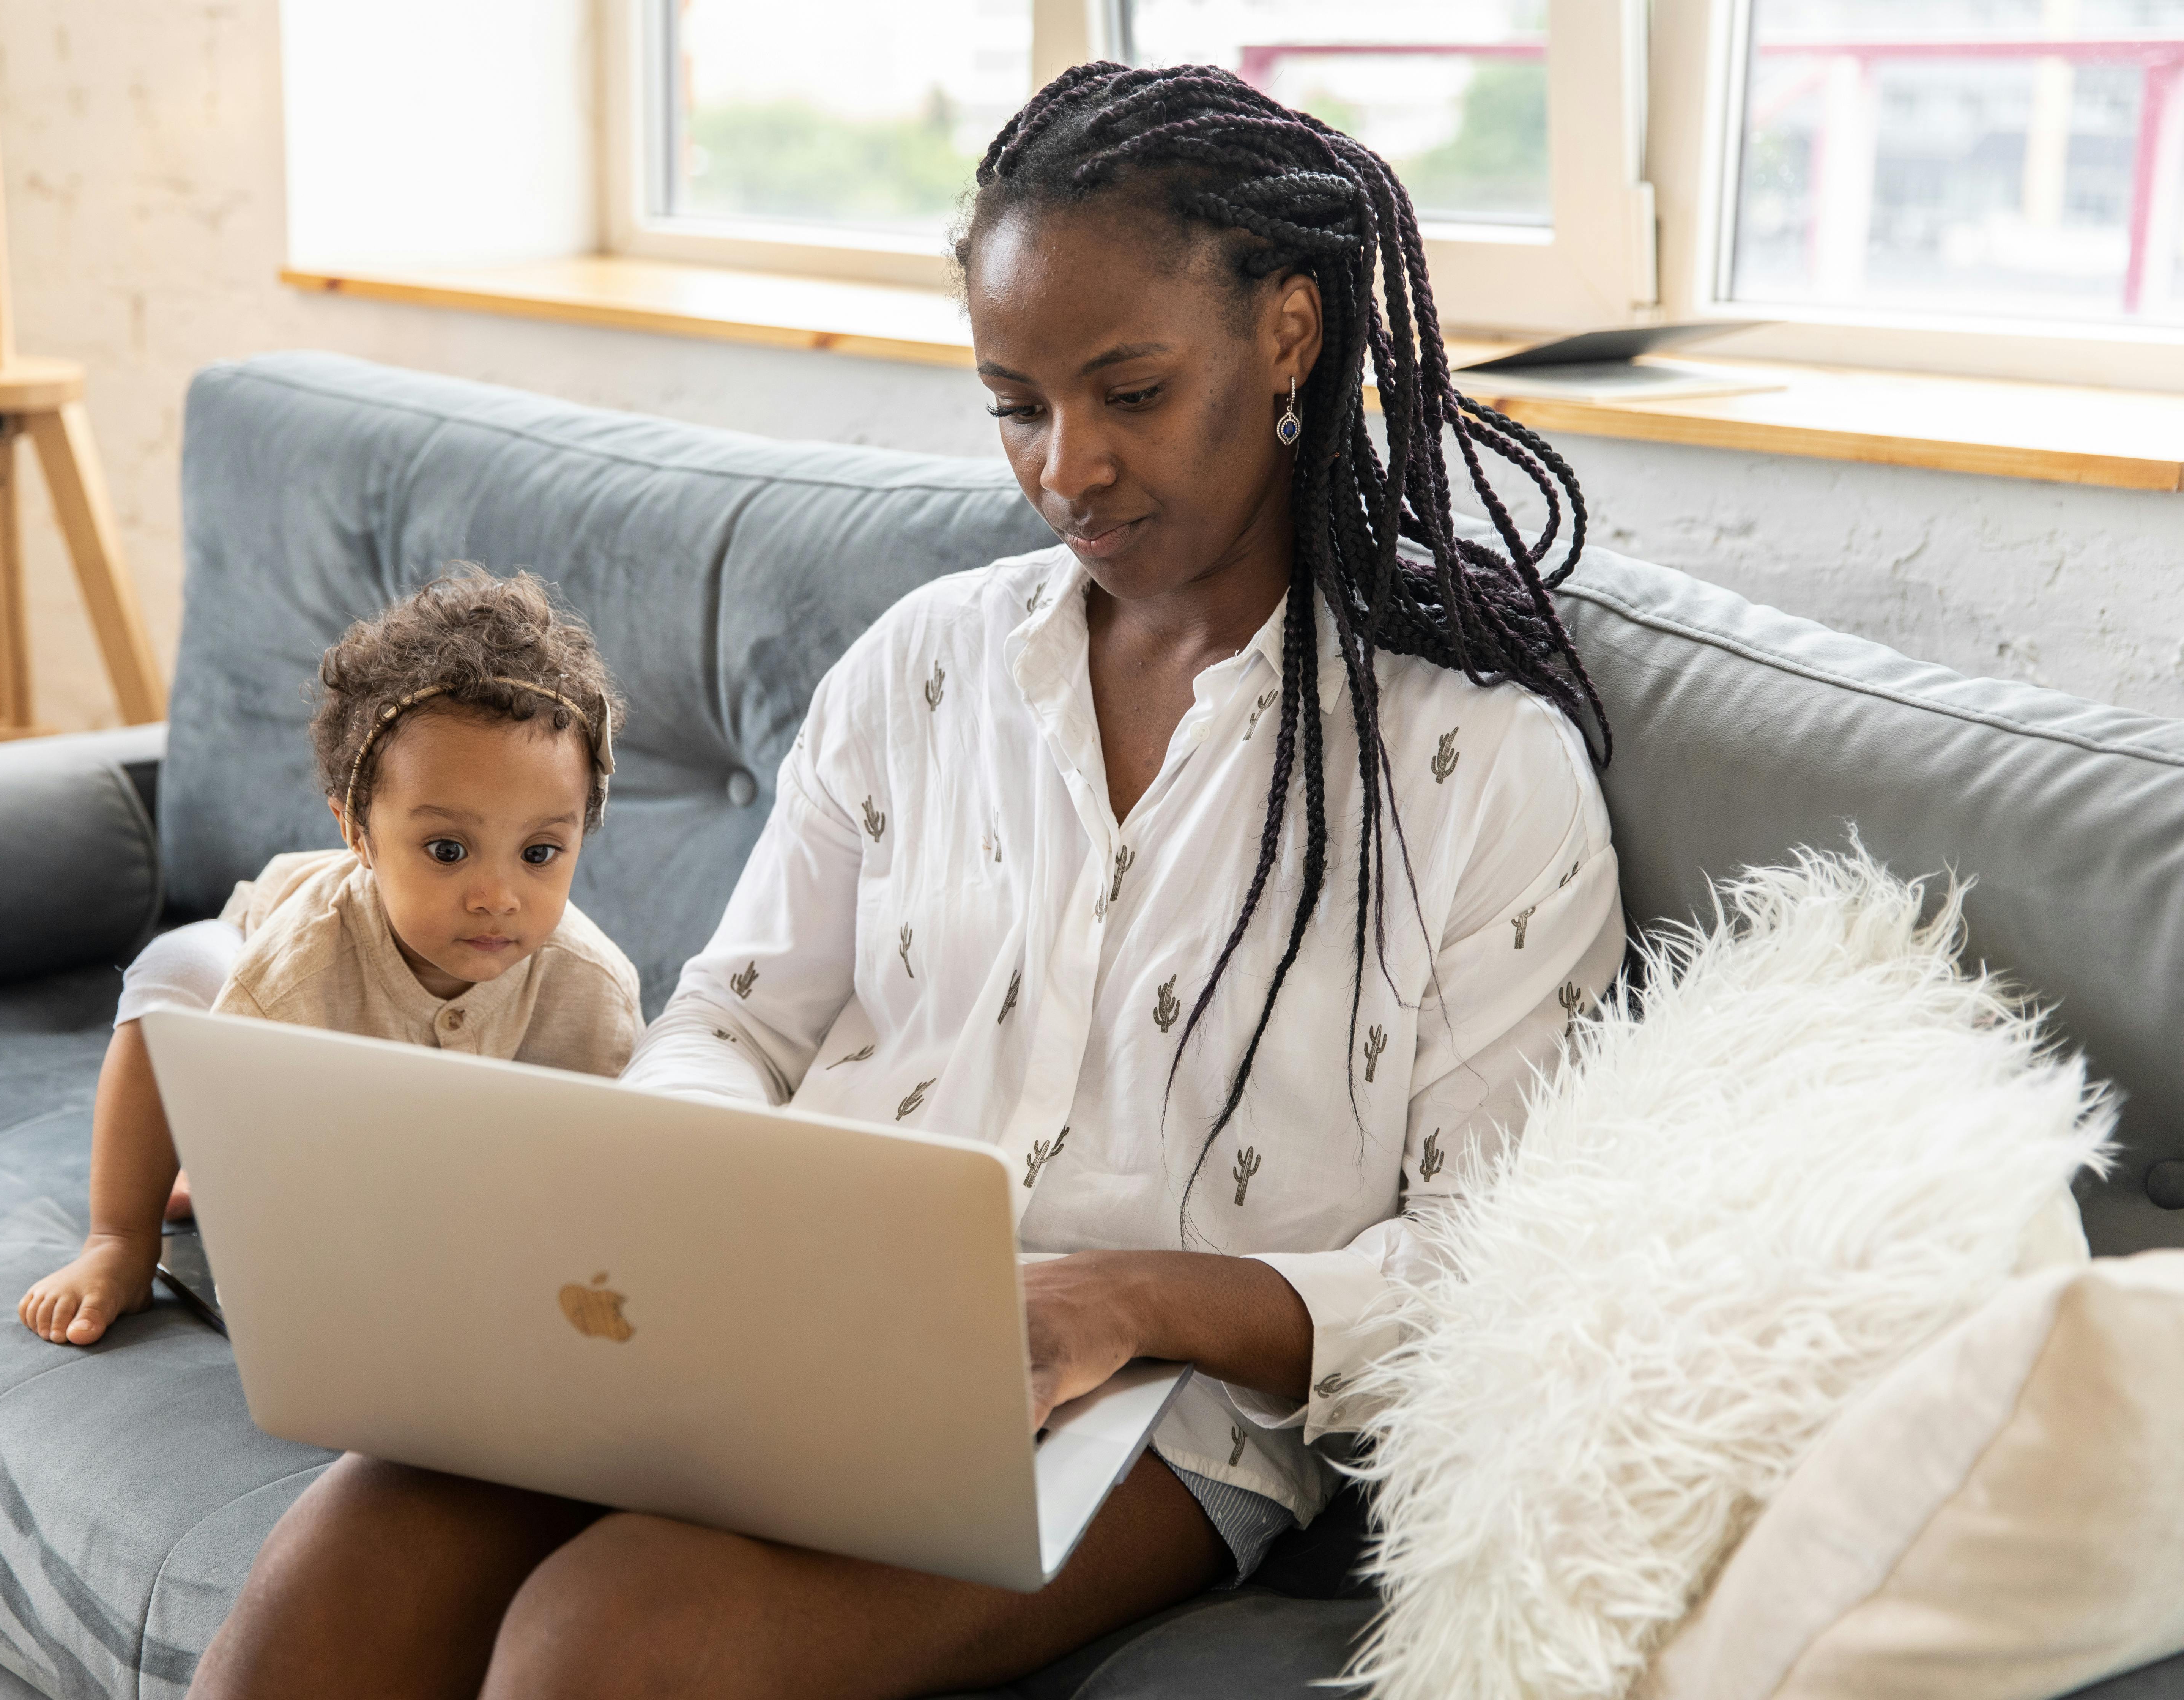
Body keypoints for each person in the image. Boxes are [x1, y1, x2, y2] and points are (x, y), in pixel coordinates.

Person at [184, 62, 1625, 1700]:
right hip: (783, 1332)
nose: (1065, 467)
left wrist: (1110, 1300)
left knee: (600, 1651)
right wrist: (701, 1212)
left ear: (1288, 333)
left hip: (1159, 1408)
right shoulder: (923, 665)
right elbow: (732, 1014)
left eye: (1129, 393)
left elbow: (1487, 1268)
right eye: (1017, 405)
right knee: (337, 1577)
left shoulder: (1478, 770)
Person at [17, 568, 643, 1347]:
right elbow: (256, 1162)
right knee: (176, 974)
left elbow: (605, 1175)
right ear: (357, 832)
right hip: (245, 1014)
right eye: (448, 849)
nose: (497, 895)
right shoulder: (288, 977)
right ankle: (119, 1237)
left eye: (540, 851)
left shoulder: (594, 988)